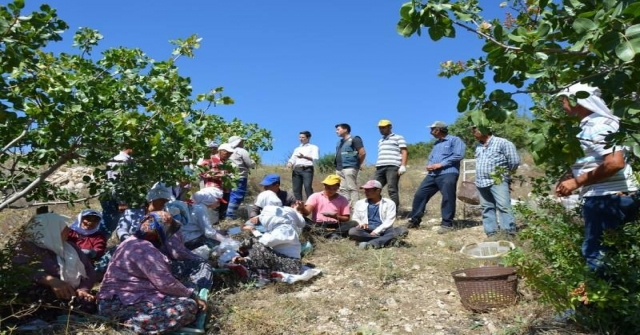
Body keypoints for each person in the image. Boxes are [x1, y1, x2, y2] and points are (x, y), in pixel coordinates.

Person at [555, 83, 640, 273]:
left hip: (604, 199)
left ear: (578, 101)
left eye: (564, 99)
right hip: (620, 194)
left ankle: (599, 301)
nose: (562, 104)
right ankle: (619, 300)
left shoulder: (596, 125)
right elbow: (596, 159)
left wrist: (576, 182)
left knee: (597, 255)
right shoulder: (602, 122)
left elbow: (614, 163)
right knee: (622, 255)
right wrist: (570, 175)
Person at [98, 211, 207, 334]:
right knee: (188, 306)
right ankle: (131, 324)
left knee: (188, 287)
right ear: (160, 232)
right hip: (120, 303)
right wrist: (192, 296)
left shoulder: (131, 241)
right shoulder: (145, 249)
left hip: (119, 298)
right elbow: (165, 282)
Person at [13, 213, 96, 313]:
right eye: (63, 228)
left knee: (89, 305)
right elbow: (21, 271)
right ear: (50, 230)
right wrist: (51, 281)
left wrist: (83, 289)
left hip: (71, 293)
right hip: (40, 295)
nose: (68, 231)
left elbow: (89, 269)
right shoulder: (26, 248)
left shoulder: (70, 247)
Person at [405, 121, 466, 234]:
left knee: (448, 197)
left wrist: (440, 164)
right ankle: (414, 220)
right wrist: (430, 165)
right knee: (420, 194)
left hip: (448, 173)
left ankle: (447, 224)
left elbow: (459, 155)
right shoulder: (436, 144)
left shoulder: (454, 140)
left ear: (438, 130)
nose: (430, 131)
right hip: (433, 174)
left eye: (432, 129)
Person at [472, 126, 520, 240]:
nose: (473, 133)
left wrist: (504, 175)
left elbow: (514, 162)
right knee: (486, 207)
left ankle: (508, 234)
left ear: (483, 130)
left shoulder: (502, 143)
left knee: (504, 206)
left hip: (498, 181)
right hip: (481, 182)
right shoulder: (478, 146)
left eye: (474, 130)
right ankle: (491, 233)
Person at [233, 205, 306, 275]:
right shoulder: (279, 227)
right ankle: (246, 260)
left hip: (291, 266)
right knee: (257, 244)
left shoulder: (284, 228)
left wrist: (251, 234)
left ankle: (247, 262)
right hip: (288, 263)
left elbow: (266, 242)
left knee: (258, 247)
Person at [348, 180, 408, 249]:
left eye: (368, 190)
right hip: (367, 229)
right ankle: (387, 240)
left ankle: (372, 243)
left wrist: (376, 231)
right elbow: (355, 217)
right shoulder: (360, 203)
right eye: (365, 190)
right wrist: (361, 223)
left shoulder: (389, 203)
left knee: (402, 230)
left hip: (384, 230)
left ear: (378, 191)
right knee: (353, 231)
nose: (365, 192)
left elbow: (389, 221)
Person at [296, 174, 357, 238]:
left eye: (334, 188)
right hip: (318, 224)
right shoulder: (315, 196)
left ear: (338, 187)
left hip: (335, 225)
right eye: (328, 188)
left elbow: (346, 218)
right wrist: (302, 208)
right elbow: (306, 212)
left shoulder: (342, 199)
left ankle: (329, 233)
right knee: (302, 218)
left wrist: (335, 216)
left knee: (353, 223)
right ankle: (332, 234)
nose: (331, 190)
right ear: (325, 186)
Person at [375, 119, 408, 211]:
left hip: (393, 166)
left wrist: (403, 166)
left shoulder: (398, 137)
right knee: (374, 187)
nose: (381, 129)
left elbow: (404, 151)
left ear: (390, 127)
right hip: (380, 166)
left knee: (392, 188)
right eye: (380, 128)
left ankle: (393, 211)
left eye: (383, 127)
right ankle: (377, 209)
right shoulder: (380, 140)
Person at [101, 147, 133, 235]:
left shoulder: (116, 158)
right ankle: (97, 245)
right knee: (109, 225)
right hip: (113, 197)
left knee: (106, 221)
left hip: (108, 194)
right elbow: (117, 183)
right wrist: (121, 202)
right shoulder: (122, 160)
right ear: (129, 147)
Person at [199, 143, 235, 219]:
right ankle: (213, 227)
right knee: (213, 211)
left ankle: (221, 227)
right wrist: (216, 175)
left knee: (222, 212)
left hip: (225, 190)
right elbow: (201, 172)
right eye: (227, 153)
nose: (228, 155)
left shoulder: (227, 163)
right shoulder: (210, 159)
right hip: (213, 189)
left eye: (230, 154)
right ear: (220, 151)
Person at [335, 123, 366, 208]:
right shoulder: (339, 142)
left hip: (350, 167)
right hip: (339, 169)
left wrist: (358, 164)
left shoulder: (355, 139)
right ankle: (346, 208)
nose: (336, 131)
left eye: (338, 129)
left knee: (352, 188)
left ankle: (356, 208)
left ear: (345, 130)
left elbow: (362, 153)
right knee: (342, 189)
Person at [226, 136, 256, 219]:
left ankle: (227, 214)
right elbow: (250, 163)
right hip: (240, 176)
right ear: (238, 142)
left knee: (231, 195)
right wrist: (253, 162)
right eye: (242, 141)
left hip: (229, 177)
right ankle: (230, 215)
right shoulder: (242, 151)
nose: (243, 143)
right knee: (237, 195)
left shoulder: (228, 151)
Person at [287, 131, 319, 200]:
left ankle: (311, 204)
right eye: (300, 137)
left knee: (307, 187)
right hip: (297, 169)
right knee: (296, 189)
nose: (301, 139)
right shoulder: (297, 149)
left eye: (303, 137)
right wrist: (290, 163)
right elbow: (293, 158)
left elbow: (315, 158)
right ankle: (299, 206)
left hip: (307, 169)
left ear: (308, 138)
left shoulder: (313, 147)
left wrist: (304, 157)